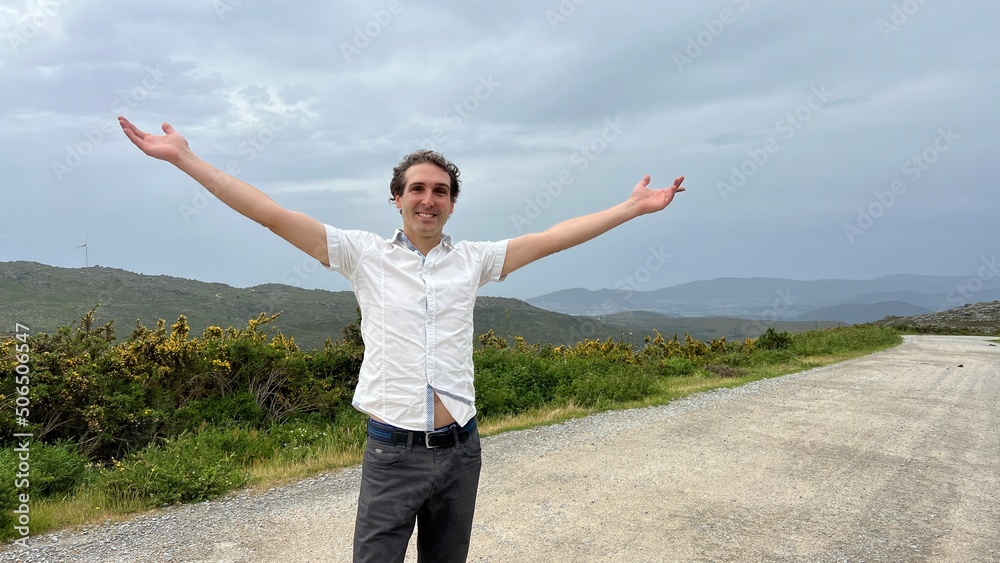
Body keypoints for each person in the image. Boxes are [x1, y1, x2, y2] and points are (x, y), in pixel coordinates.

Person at [118, 116, 685, 562]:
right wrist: (186, 159)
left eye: (440, 191)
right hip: (393, 451)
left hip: (462, 450)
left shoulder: (473, 261)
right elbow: (269, 213)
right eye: (417, 189)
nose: (428, 199)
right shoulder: (363, 254)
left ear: (452, 202)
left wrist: (632, 208)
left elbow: (552, 238)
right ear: (397, 197)